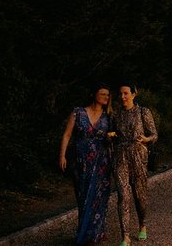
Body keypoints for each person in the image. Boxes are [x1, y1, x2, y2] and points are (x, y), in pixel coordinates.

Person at [59, 83, 113, 246]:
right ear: (94, 95)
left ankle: (94, 235)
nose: (106, 97)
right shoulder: (78, 112)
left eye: (108, 95)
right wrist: (62, 155)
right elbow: (67, 135)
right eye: (102, 94)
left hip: (101, 162)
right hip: (81, 161)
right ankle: (85, 231)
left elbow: (115, 136)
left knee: (99, 197)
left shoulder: (109, 116)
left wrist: (111, 137)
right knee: (83, 197)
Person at [111, 84, 157, 246]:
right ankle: (125, 236)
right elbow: (113, 134)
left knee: (140, 195)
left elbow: (154, 135)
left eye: (126, 93)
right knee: (123, 196)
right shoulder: (115, 114)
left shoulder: (143, 112)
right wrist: (111, 135)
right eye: (120, 93)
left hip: (138, 155)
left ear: (134, 94)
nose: (122, 96)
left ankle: (142, 224)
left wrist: (146, 139)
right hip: (120, 157)